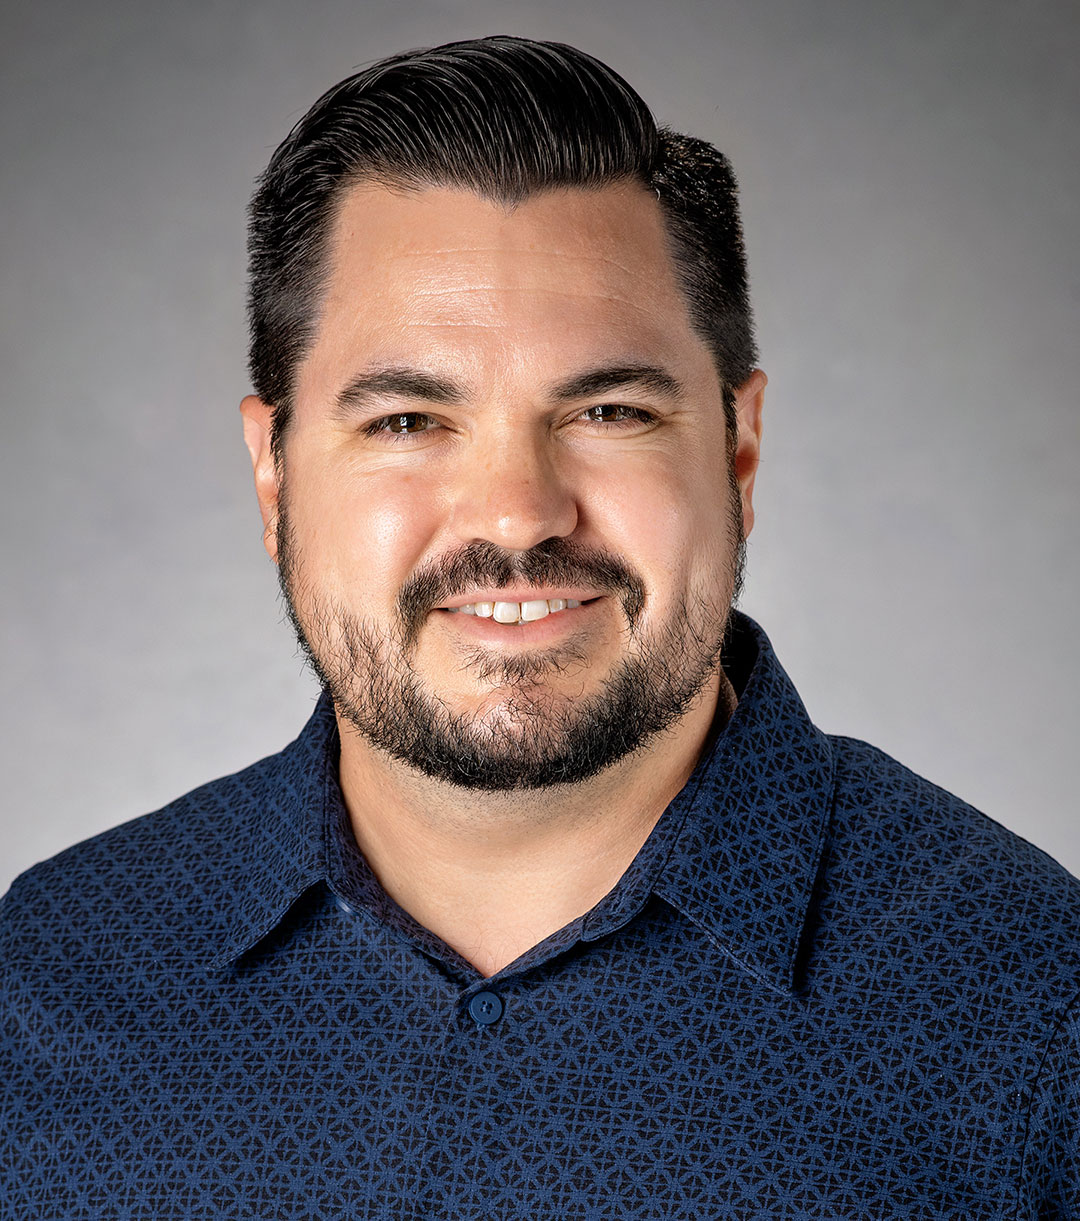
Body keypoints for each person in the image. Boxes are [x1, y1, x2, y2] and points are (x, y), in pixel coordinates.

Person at [2, 34, 1077, 1219]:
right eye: (409, 421)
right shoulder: (48, 973)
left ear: (738, 449)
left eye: (609, 410)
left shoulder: (1034, 1006)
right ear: (273, 476)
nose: (517, 512)